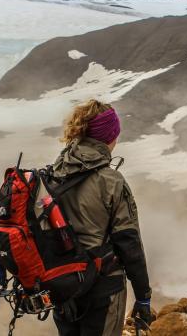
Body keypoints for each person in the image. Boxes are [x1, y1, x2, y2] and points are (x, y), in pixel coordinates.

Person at [51, 99, 153, 336]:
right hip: (103, 288)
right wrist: (143, 297)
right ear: (110, 137)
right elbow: (129, 244)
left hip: (63, 286)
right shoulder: (111, 181)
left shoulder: (56, 171)